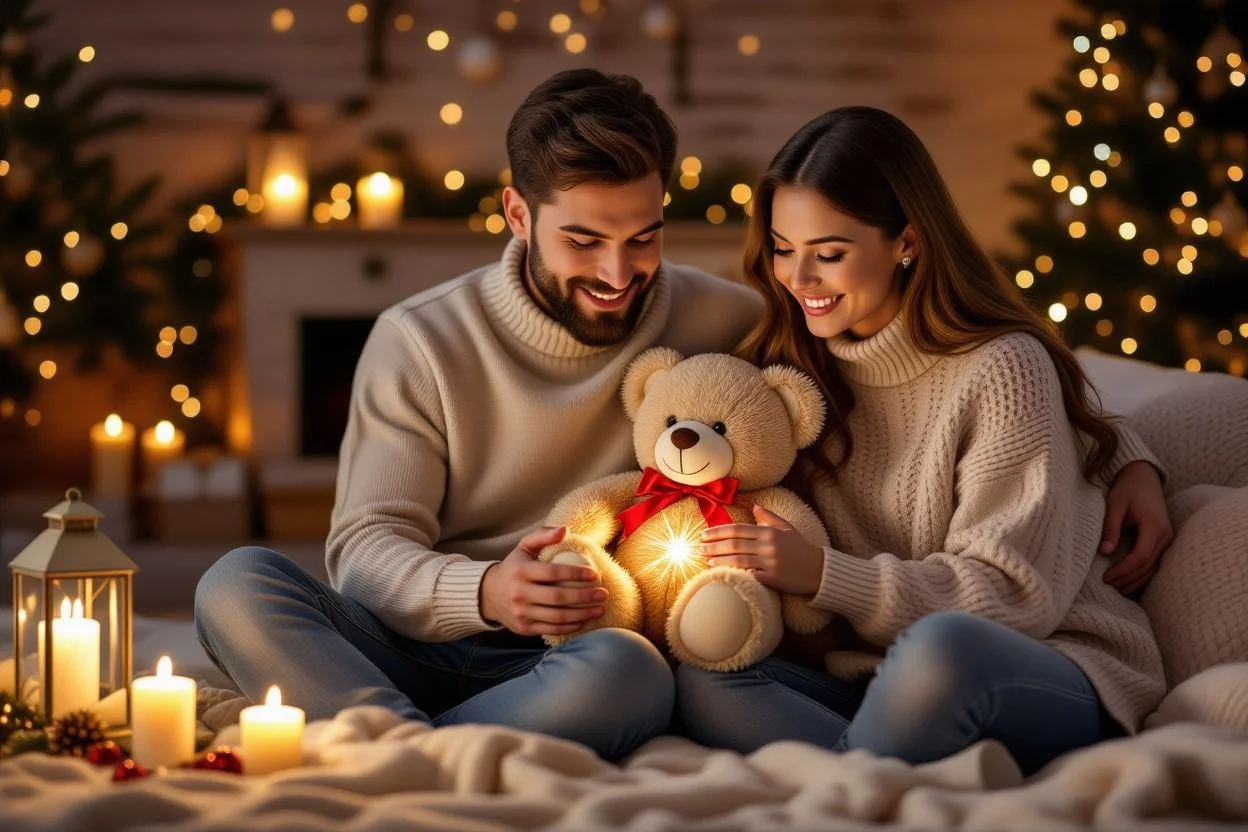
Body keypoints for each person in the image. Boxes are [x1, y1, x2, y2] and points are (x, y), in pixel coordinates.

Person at [196, 73, 1169, 763]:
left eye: (644, 236)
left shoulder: (736, 325)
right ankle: (409, 751)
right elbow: (363, 550)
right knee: (235, 582)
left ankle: (400, 757)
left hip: (587, 657)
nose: (618, 273)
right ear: (518, 216)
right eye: (584, 239)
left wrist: (1128, 458)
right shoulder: (422, 340)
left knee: (643, 670)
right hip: (436, 628)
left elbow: (1018, 388)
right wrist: (486, 590)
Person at [676, 106, 1170, 776]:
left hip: (1039, 662)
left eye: (829, 254)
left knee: (941, 651)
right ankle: (869, 773)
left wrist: (822, 575)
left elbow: (1010, 598)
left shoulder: (1003, 368)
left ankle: (844, 789)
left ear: (906, 242)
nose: (798, 279)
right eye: (783, 249)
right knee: (706, 672)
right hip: (873, 681)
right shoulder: (789, 368)